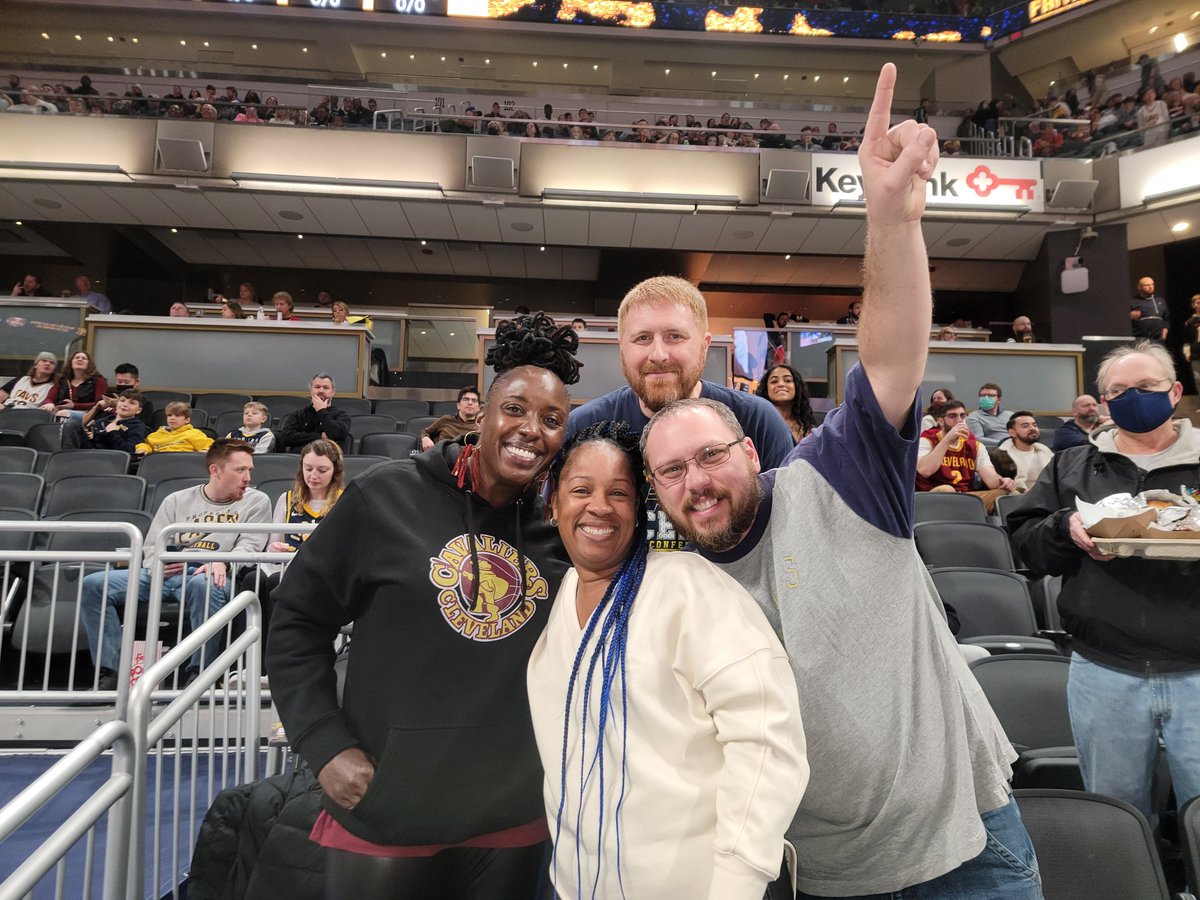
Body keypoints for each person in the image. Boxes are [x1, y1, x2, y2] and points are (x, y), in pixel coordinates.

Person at [640, 63, 1036, 899]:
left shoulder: (835, 481)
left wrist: (890, 219)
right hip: (820, 878)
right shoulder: (673, 586)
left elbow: (890, 355)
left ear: (753, 450)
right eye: (671, 472)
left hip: (965, 851)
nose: (697, 481)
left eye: (711, 456)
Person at [267, 314, 582, 899]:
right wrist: (323, 743)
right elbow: (295, 622)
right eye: (514, 409)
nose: (531, 429)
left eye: (552, 419)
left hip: (514, 819)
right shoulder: (385, 496)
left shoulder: (560, 528)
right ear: (481, 414)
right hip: (390, 811)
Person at [527, 422, 807, 899]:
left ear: (638, 510)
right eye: (580, 490)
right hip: (577, 883)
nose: (599, 506)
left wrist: (736, 885)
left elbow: (767, 742)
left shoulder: (687, 586)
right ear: (554, 504)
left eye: (619, 492)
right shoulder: (562, 594)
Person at [1009, 340, 1200, 821]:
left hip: (1197, 668)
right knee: (1118, 813)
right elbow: (1026, 545)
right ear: (1106, 404)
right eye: (1119, 390)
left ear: (1175, 392)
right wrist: (1063, 528)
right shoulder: (1072, 466)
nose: (1133, 396)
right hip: (1105, 671)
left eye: (1147, 386)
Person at [567, 276, 792, 550]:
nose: (658, 354)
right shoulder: (586, 427)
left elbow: (786, 535)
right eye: (642, 338)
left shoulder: (757, 421)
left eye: (674, 336)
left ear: (704, 345)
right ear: (622, 349)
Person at [80, 439, 271, 690]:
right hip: (163, 573)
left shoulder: (256, 501)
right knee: (94, 584)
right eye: (240, 470)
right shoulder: (176, 500)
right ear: (215, 470)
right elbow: (151, 547)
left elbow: (250, 547)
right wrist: (160, 562)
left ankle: (200, 674)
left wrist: (221, 561)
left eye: (250, 470)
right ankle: (111, 672)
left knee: (206, 584)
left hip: (208, 575)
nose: (247, 477)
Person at [239, 439, 344, 647]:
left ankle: (275, 657)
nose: (313, 476)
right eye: (308, 468)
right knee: (253, 579)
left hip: (321, 572)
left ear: (335, 471)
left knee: (276, 582)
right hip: (284, 565)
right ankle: (248, 660)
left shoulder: (344, 501)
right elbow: (273, 544)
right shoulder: (287, 499)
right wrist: (275, 548)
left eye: (322, 470)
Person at [917, 399, 1016, 511]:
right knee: (947, 490)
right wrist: (948, 439)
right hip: (933, 498)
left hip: (968, 497)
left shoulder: (975, 446)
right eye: (952, 416)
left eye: (962, 416)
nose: (959, 420)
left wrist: (1003, 481)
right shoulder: (927, 440)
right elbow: (925, 471)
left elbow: (990, 478)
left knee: (1011, 493)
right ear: (940, 421)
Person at [276, 374, 353, 453]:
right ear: (311, 390)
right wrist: (320, 436)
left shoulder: (341, 415)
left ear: (333, 392)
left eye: (326, 388)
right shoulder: (299, 414)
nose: (321, 391)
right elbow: (286, 437)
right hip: (299, 459)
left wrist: (321, 410)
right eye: (317, 387)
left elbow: (337, 434)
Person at [755, 363, 816, 444]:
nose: (781, 384)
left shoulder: (808, 428)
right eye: (774, 381)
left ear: (796, 387)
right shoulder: (757, 424)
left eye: (788, 380)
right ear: (766, 389)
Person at [997, 410, 1053, 492]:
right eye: (1025, 426)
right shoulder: (1002, 455)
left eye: (1035, 425)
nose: (1032, 428)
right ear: (1012, 432)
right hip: (1018, 499)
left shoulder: (1045, 451)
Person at [82, 389, 148, 454]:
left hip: (113, 459)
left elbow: (129, 450)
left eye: (132, 403)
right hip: (91, 455)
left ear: (138, 410)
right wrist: (90, 438)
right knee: (74, 426)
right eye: (122, 400)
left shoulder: (137, 427)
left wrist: (113, 432)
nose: (125, 404)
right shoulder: (102, 421)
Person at [136, 401, 213, 455]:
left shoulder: (194, 434)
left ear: (187, 420)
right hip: (160, 463)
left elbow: (208, 447)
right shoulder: (155, 435)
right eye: (169, 415)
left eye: (177, 415)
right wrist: (143, 449)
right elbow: (146, 445)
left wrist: (205, 451)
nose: (172, 418)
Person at [53, 349, 108, 421]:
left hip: (89, 414)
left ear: (89, 364)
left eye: (84, 358)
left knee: (63, 414)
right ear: (71, 362)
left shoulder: (98, 380)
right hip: (61, 411)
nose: (80, 359)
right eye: (77, 357)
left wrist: (74, 406)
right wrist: (50, 404)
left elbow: (100, 403)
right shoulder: (62, 380)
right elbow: (50, 397)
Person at [966, 382, 1012, 447]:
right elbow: (977, 439)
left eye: (990, 395)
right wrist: (1003, 443)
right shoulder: (973, 417)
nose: (986, 398)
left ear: (999, 400)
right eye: (983, 396)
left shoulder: (1010, 415)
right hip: (993, 451)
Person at [1130, 276, 1168, 343]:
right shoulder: (1133, 302)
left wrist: (1165, 330)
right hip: (1140, 339)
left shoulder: (1160, 301)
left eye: (1152, 284)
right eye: (1147, 285)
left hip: (1158, 339)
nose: (1151, 287)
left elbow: (1167, 318)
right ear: (1139, 287)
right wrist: (1130, 315)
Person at [1185, 293, 1200, 390]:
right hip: (1196, 352)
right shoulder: (1190, 322)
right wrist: (1187, 352)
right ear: (1193, 305)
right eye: (1198, 303)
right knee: (1198, 379)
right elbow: (1187, 339)